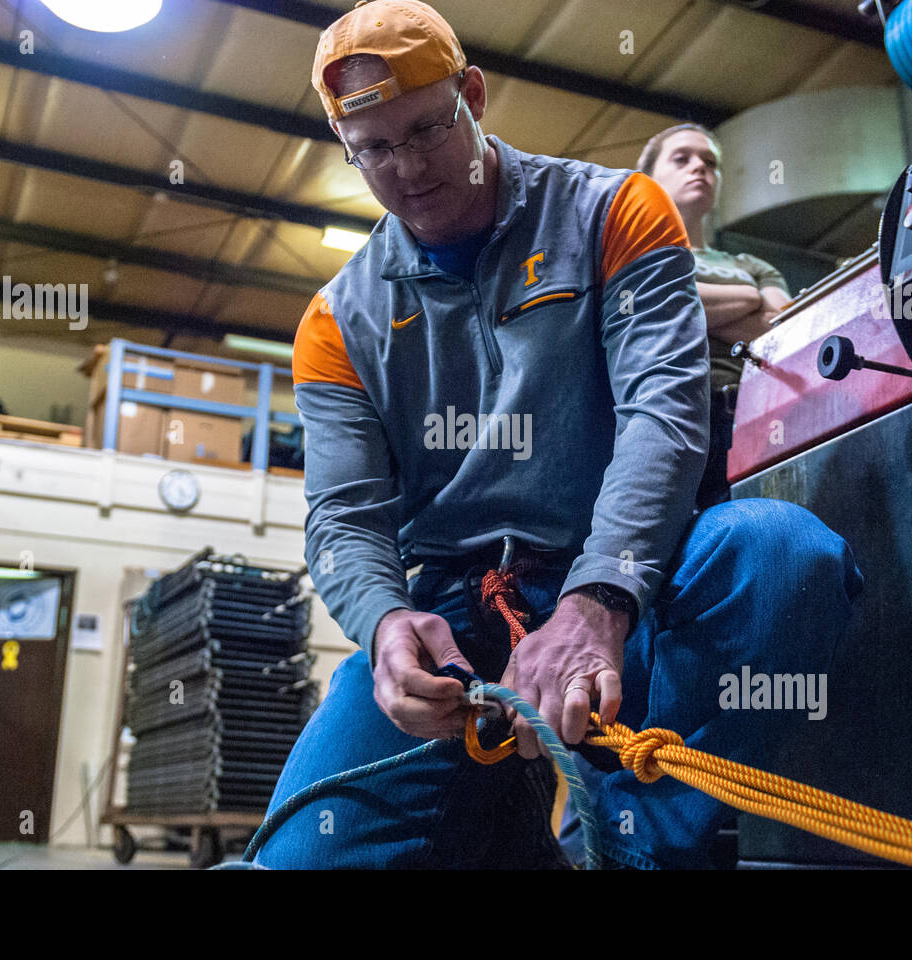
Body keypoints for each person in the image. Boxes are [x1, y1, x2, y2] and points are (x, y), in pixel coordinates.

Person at [256, 0, 862, 869]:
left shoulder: (618, 212)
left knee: (778, 556)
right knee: (304, 859)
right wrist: (387, 623)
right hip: (461, 622)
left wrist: (598, 599)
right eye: (375, 150)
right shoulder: (336, 324)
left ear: (474, 93)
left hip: (636, 579)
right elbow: (346, 518)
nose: (410, 167)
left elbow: (664, 413)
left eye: (427, 128)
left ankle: (635, 849)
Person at [638, 124, 792, 507]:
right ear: (648, 178)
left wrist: (694, 304)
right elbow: (658, 310)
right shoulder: (635, 252)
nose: (699, 167)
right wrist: (749, 296)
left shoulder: (750, 263)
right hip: (674, 415)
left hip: (757, 412)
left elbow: (783, 332)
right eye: (682, 158)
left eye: (710, 162)